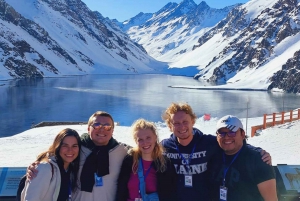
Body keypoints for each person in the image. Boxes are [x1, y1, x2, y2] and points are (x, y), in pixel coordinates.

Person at [160, 102, 271, 201]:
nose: (182, 126)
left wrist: (258, 152)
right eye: (176, 123)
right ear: (170, 126)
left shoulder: (208, 142)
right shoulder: (164, 147)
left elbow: (231, 143)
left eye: (185, 121)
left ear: (192, 121)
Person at [27, 111, 129, 201]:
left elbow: (142, 155)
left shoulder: (122, 152)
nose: (102, 130)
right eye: (97, 125)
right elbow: (55, 156)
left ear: (112, 130)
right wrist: (36, 166)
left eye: (107, 126)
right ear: (89, 128)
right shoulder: (77, 148)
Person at [208, 115, 277, 201]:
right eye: (222, 133)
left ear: (243, 134)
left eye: (232, 132)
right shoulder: (212, 154)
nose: (226, 137)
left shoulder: (258, 160)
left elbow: (271, 199)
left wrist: (259, 151)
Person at [116, 119, 178, 201]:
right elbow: (121, 189)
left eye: (148, 138)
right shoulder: (129, 161)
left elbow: (171, 193)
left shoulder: (165, 163)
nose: (145, 142)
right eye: (140, 140)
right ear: (136, 141)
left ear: (155, 137)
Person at [21, 128, 81, 201]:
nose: (70, 150)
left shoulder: (70, 169)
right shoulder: (45, 168)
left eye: (74, 146)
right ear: (57, 146)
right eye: (65, 146)